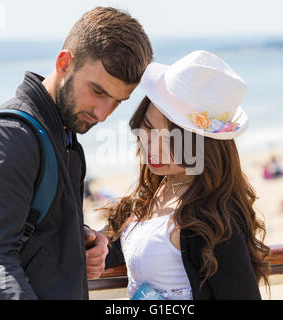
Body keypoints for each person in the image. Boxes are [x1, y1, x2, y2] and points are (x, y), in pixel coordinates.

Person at [0, 7, 153, 299]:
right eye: (97, 91)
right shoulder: (5, 138)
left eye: (117, 101)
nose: (103, 113)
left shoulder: (62, 134)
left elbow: (27, 231)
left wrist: (79, 241)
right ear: (65, 62)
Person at [103, 51, 270, 299]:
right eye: (148, 128)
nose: (152, 146)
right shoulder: (155, 192)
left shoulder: (214, 217)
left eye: (170, 140)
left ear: (201, 147)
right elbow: (118, 251)